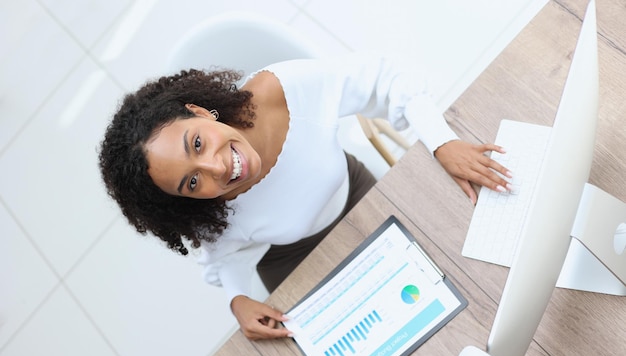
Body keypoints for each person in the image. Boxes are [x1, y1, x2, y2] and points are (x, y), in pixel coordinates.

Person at [98, 53, 512, 340]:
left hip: (358, 200)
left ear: (202, 113)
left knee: (469, 279)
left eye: (197, 143)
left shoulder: (280, 91)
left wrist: (441, 142)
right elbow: (224, 258)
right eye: (190, 182)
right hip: (293, 263)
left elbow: (387, 80)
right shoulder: (207, 205)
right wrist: (239, 300)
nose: (217, 168)